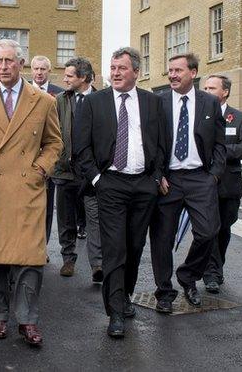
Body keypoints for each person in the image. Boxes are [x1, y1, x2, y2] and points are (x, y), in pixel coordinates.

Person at [0, 39, 62, 347]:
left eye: (9, 61)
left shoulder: (43, 101)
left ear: (21, 64)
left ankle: (27, 320)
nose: (3, 67)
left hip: (27, 189)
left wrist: (40, 170)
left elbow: (54, 144)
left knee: (30, 258)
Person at [74, 47, 169, 339]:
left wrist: (155, 177)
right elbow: (80, 147)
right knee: (115, 248)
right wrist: (98, 180)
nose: (115, 73)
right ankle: (115, 311)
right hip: (110, 184)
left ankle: (125, 294)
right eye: (112, 68)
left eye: (121, 68)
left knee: (134, 245)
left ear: (136, 72)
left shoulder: (153, 102)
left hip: (143, 185)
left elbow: (162, 142)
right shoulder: (94, 103)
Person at [150, 53, 226, 312]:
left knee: (208, 232)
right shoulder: (158, 102)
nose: (172, 75)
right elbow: (152, 143)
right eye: (170, 70)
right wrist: (158, 174)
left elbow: (219, 143)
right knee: (162, 238)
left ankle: (188, 276)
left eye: (178, 70)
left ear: (193, 73)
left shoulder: (210, 103)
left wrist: (213, 175)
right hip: (168, 180)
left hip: (199, 178)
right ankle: (164, 292)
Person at [201, 74, 242, 294]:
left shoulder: (240, 118)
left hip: (229, 185)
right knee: (208, 228)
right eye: (204, 87)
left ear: (225, 92)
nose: (206, 91)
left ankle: (217, 265)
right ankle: (211, 273)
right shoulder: (199, 116)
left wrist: (220, 152)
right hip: (203, 184)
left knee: (224, 228)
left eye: (212, 88)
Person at [51, 56, 101, 280]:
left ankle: (97, 265)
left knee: (94, 219)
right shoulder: (60, 100)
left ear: (83, 77)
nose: (65, 79)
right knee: (66, 220)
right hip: (64, 170)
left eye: (69, 75)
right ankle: (68, 259)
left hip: (91, 172)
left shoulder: (102, 99)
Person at [30, 55, 64, 247]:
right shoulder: (23, 91)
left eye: (43, 69)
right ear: (31, 70)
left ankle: (42, 246)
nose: (39, 73)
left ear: (49, 71)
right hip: (26, 156)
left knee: (47, 206)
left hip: (48, 158)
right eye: (36, 69)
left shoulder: (59, 94)